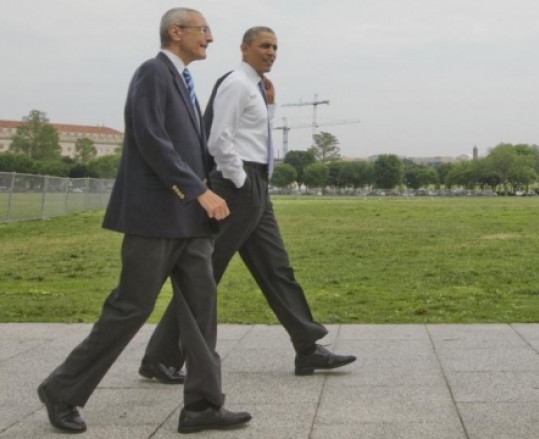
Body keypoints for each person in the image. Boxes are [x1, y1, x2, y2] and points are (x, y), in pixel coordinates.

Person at [37, 8, 251, 434]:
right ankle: (62, 390)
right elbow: (150, 138)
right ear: (176, 32)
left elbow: (189, 148)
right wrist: (197, 190)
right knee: (130, 308)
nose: (210, 38)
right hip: (156, 218)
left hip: (189, 224)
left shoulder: (184, 82)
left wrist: (212, 188)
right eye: (203, 30)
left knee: (201, 310)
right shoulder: (153, 73)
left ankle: (203, 406)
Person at [140, 26, 356, 380]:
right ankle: (160, 358)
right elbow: (218, 139)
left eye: (275, 47)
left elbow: (253, 135)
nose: (271, 52)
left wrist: (270, 107)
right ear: (244, 48)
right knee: (204, 274)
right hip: (238, 186)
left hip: (255, 186)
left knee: (277, 268)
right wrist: (240, 181)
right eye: (263, 46)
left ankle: (307, 348)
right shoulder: (237, 84)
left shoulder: (256, 88)